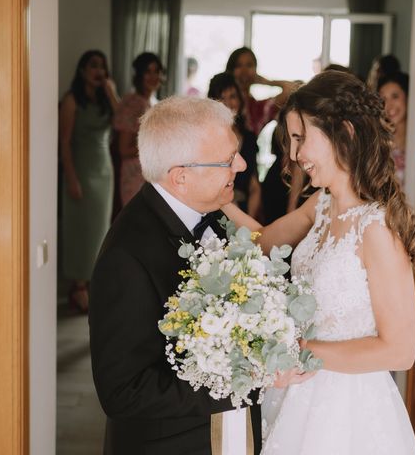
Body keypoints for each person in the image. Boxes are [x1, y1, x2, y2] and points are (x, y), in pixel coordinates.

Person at [221, 70, 415, 454]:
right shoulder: (320, 205)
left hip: (348, 409)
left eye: (301, 138)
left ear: (344, 132)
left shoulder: (376, 226)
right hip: (297, 396)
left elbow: (401, 349)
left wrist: (302, 351)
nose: (296, 155)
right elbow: (263, 240)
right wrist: (214, 197)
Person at [89, 96, 263, 454]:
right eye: (229, 159)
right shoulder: (127, 257)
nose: (242, 165)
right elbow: (123, 393)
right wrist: (246, 380)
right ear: (181, 177)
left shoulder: (211, 215)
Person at [59, 49, 119, 313]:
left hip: (104, 171)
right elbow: (64, 143)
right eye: (93, 66)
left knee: (99, 231)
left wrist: (112, 94)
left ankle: (94, 283)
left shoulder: (106, 101)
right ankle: (78, 287)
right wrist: (71, 177)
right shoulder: (72, 100)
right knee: (79, 231)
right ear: (82, 70)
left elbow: (123, 124)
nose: (98, 72)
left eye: (102, 67)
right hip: (81, 171)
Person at [208, 71, 262, 218]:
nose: (227, 103)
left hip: (243, 211)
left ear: (240, 99)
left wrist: (247, 225)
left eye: (232, 96)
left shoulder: (249, 138)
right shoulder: (207, 139)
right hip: (213, 211)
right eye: (221, 98)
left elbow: (255, 187)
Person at [113, 52, 164, 207]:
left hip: (152, 175)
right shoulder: (132, 103)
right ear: (139, 75)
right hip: (135, 175)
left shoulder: (154, 102)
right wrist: (156, 146)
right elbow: (124, 149)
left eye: (157, 71)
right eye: (148, 72)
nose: (153, 76)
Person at [225, 47, 298, 135]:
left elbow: (292, 88)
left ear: (256, 71)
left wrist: (268, 82)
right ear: (230, 70)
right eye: (238, 65)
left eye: (249, 65)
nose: (244, 71)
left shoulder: (259, 109)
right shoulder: (222, 102)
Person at [378, 71, 410, 186]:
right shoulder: (379, 142)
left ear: (407, 98)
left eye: (395, 96)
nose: (389, 105)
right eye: (383, 99)